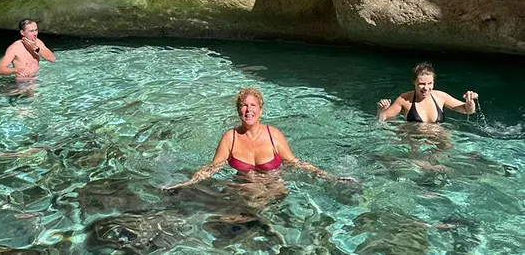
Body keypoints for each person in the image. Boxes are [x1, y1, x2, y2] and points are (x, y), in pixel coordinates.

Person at [164, 87, 354, 190]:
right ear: (238, 110)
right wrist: (185, 183)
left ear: (260, 110)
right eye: (244, 106)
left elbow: (296, 164)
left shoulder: (274, 136)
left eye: (253, 105)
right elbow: (212, 168)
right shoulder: (230, 138)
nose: (249, 110)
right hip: (243, 191)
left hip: (275, 190)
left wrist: (329, 177)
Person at [377, 62, 478, 123]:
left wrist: (470, 102)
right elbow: (382, 120)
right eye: (422, 84)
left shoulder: (441, 97)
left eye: (430, 83)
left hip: (438, 138)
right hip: (414, 139)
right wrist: (380, 110)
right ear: (414, 82)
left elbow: (468, 110)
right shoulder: (404, 100)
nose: (426, 88)